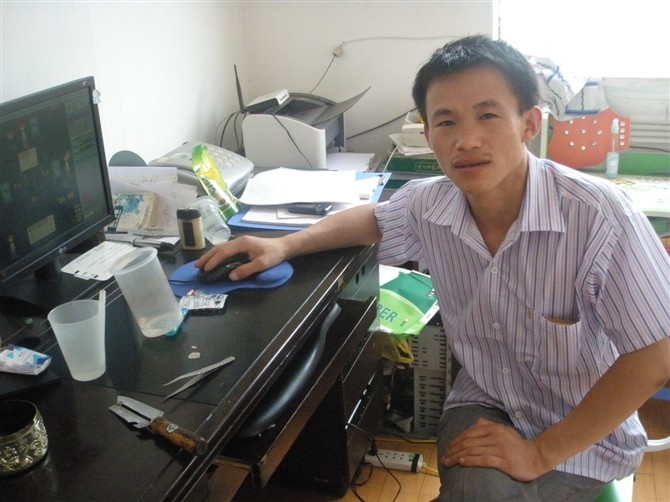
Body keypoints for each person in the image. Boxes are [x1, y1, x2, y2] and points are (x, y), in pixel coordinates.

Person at [197, 35, 670, 501]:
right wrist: (285, 245)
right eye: (446, 121)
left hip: (580, 431)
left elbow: (655, 358)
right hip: (486, 400)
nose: (466, 140)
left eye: (487, 115)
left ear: (528, 123)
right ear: (427, 135)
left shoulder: (598, 216)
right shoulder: (431, 203)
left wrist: (540, 452)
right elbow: (374, 219)